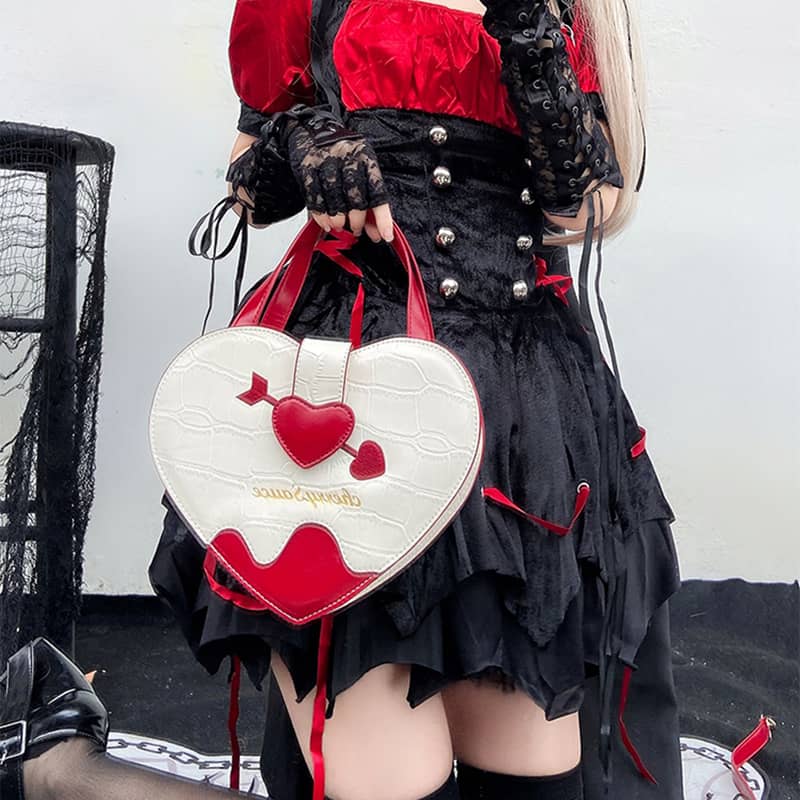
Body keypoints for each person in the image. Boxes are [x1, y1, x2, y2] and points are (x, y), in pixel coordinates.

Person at [0, 1, 683, 799]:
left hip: (516, 423)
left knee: (538, 786)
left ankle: (60, 770)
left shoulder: (568, 9)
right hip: (357, 399)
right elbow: (248, 189)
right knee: (390, 783)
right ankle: (61, 769)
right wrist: (301, 139)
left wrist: (531, 36)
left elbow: (589, 206)